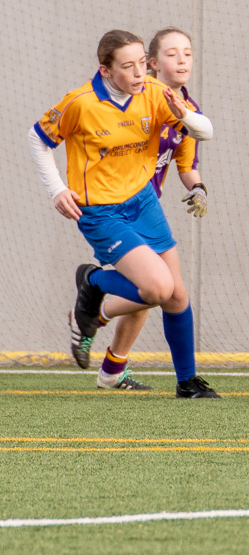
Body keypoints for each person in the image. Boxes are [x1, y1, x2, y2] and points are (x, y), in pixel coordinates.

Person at [30, 29, 219, 398]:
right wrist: (56, 190)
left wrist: (186, 116)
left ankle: (187, 382)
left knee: (176, 295)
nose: (137, 74)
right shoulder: (80, 103)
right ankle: (94, 282)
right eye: (127, 67)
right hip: (100, 211)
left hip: (143, 201)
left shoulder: (153, 94)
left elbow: (205, 132)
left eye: (140, 66)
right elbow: (38, 139)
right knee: (158, 288)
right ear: (105, 71)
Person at [89, 27, 209, 391]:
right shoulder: (139, 99)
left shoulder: (187, 111)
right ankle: (93, 295)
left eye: (187, 52)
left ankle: (111, 369)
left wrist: (199, 188)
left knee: (155, 294)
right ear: (152, 63)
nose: (183, 60)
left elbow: (185, 166)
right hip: (114, 206)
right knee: (164, 291)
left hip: (145, 206)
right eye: (172, 54)